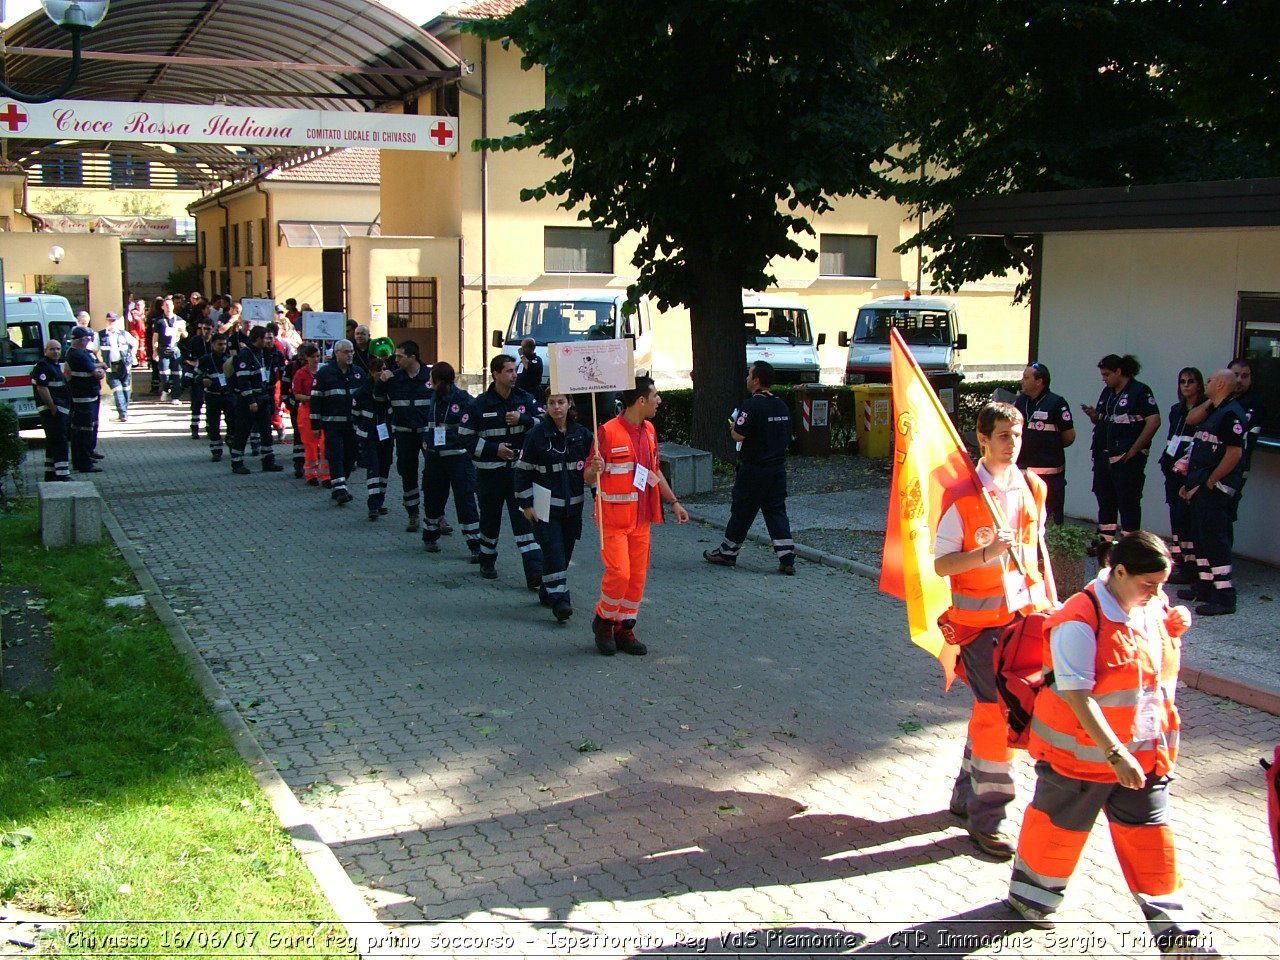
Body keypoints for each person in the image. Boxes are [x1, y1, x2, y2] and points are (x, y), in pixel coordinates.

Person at [1007, 534, 1212, 958]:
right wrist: (1115, 753)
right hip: (1081, 761)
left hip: (1146, 757)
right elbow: (1077, 696)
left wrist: (1175, 626)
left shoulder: (1148, 606)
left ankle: (1178, 937)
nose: (1159, 594)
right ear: (1119, 572)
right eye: (1150, 584)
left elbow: (1149, 674)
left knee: (1153, 841)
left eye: (1162, 583)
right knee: (1056, 834)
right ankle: (1031, 899)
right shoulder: (1078, 619)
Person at [933, 401, 1050, 860]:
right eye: (1003, 435)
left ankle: (966, 799)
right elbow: (942, 563)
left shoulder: (1033, 487)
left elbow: (1034, 552)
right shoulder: (963, 495)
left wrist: (1047, 602)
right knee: (999, 719)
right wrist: (987, 554)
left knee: (992, 715)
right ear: (982, 439)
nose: (1012, 443)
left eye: (1017, 435)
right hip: (980, 629)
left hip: (1024, 620)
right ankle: (989, 821)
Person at [590, 375, 690, 656]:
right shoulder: (607, 432)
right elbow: (588, 476)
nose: (659, 400)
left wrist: (674, 502)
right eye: (655, 396)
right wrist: (594, 468)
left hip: (641, 520)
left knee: (636, 578)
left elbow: (653, 472)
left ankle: (625, 628)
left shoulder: (649, 431)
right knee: (619, 574)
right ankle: (604, 621)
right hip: (613, 519)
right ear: (641, 401)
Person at [457, 354, 544, 585]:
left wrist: (523, 419)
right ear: (495, 374)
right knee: (489, 520)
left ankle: (534, 570)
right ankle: (487, 559)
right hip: (490, 475)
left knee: (525, 520)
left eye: (515, 370)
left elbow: (544, 423)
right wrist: (494, 449)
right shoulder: (479, 405)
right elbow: (464, 438)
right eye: (508, 371)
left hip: (519, 475)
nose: (514, 375)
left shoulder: (524, 399)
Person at [703, 360, 796, 574]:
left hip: (754, 470)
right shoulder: (781, 405)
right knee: (776, 512)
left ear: (756, 380)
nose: (746, 378)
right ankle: (787, 557)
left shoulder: (752, 405)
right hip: (777, 469)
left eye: (749, 375)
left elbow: (739, 434)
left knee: (742, 511)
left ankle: (727, 552)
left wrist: (734, 426)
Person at [517, 388, 600, 622]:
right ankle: (561, 601)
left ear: (569, 403)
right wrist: (526, 504)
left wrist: (598, 499)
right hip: (545, 509)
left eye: (561, 402)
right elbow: (522, 473)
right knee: (554, 553)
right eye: (551, 402)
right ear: (546, 406)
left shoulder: (582, 435)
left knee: (563, 555)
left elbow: (592, 473)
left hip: (573, 508)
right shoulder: (536, 435)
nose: (556, 407)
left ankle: (547, 590)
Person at [1176, 369, 1247, 617]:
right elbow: (1191, 419)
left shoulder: (1231, 414)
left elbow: (1234, 453)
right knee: (1201, 538)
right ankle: (1205, 586)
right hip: (1200, 484)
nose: (1206, 383)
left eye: (1210, 381)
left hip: (1215, 488)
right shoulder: (1215, 410)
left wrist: (1212, 480)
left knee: (1215, 541)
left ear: (1220, 385)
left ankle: (1224, 596)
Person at [1081, 354, 1161, 544]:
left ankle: (1129, 546)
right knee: (1105, 500)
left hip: (1127, 460)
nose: (1104, 378)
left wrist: (1135, 449)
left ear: (1119, 371)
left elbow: (1154, 421)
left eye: (1107, 374)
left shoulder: (1140, 391)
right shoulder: (1107, 392)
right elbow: (1103, 419)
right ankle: (1105, 544)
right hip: (1103, 456)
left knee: (1128, 504)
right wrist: (1094, 415)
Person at [421, 361, 481, 557]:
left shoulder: (463, 399)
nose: (430, 382)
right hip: (434, 458)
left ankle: (475, 544)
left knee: (465, 500)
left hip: (458, 459)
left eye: (433, 379)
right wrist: (426, 441)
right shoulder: (432, 398)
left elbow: (475, 421)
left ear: (440, 381)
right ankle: (430, 535)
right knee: (432, 498)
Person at [375, 340, 434, 531]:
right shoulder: (393, 378)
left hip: (428, 435)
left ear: (412, 357)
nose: (395, 359)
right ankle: (413, 513)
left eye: (400, 356)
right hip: (403, 435)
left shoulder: (430, 377)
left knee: (434, 474)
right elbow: (378, 401)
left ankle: (436, 514)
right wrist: (381, 383)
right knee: (408, 473)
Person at [1013, 361, 1075, 525]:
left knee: (1048, 521)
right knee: (1024, 520)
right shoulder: (1020, 402)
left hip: (1050, 479)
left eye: (1026, 377)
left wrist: (1049, 447)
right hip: (1023, 474)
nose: (1022, 380)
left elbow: (1069, 437)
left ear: (1039, 381)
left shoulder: (1056, 403)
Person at [1159, 367, 1205, 585]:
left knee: (1188, 519)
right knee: (1176, 518)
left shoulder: (1204, 410)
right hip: (1172, 470)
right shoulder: (1175, 410)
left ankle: (1191, 566)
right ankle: (1179, 562)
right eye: (1182, 381)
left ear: (1199, 385)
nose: (1186, 385)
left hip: (1190, 471)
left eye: (1191, 381)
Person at [311, 339, 366, 505]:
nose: (350, 355)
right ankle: (341, 489)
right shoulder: (324, 374)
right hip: (332, 423)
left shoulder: (358, 373)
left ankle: (340, 484)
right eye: (346, 352)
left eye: (351, 352)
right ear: (337, 353)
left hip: (352, 424)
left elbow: (364, 397)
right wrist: (315, 425)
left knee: (351, 455)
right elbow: (316, 400)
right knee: (335, 455)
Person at [229, 325, 285, 475]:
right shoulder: (245, 355)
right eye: (264, 338)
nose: (266, 341)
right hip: (248, 401)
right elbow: (243, 380)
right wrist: (250, 400)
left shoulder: (260, 353)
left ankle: (268, 461)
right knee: (242, 431)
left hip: (262, 398)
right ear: (258, 339)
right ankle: (237, 462)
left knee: (266, 430)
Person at [355, 355, 395, 521]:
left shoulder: (390, 390)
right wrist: (360, 433)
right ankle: (373, 505)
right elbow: (355, 415)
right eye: (379, 370)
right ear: (371, 372)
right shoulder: (363, 391)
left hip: (386, 434)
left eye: (384, 369)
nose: (382, 373)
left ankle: (380, 501)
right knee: (374, 467)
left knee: (385, 467)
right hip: (369, 435)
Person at [65, 325, 105, 474]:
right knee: (84, 431)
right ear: (81, 340)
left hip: (86, 396)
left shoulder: (77, 353)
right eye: (87, 339)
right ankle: (84, 463)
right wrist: (100, 370)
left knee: (83, 430)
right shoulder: (79, 355)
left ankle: (84, 458)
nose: (88, 342)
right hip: (84, 398)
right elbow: (97, 374)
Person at [31, 339, 71, 481]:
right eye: (52, 349)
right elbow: (42, 387)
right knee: (59, 441)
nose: (56, 352)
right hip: (52, 411)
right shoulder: (43, 366)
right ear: (45, 351)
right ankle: (62, 473)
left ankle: (50, 472)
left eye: (58, 349)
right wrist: (52, 407)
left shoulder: (53, 365)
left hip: (58, 410)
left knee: (53, 441)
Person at [290, 344, 329, 486]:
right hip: (307, 411)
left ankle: (326, 476)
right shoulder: (301, 373)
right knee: (310, 444)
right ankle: (311, 474)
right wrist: (311, 398)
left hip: (323, 410)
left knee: (325, 443)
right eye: (313, 357)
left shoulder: (324, 371)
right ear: (306, 358)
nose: (316, 359)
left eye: (318, 356)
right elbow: (297, 394)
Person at [197, 334, 233, 462]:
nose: (223, 347)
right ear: (213, 344)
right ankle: (216, 451)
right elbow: (195, 376)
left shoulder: (231, 359)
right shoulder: (206, 359)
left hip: (229, 396)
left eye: (224, 344)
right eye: (220, 344)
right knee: (213, 425)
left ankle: (231, 442)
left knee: (232, 423)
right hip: (213, 396)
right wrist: (202, 380)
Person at [98, 311, 137, 423]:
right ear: (106, 321)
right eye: (109, 320)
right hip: (110, 367)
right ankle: (123, 413)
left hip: (124, 366)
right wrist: (100, 363)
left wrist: (132, 355)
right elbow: (93, 350)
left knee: (126, 390)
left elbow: (135, 344)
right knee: (117, 390)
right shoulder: (100, 335)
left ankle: (124, 410)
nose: (111, 323)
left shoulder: (124, 334)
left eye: (113, 321)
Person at [180, 316, 211, 438]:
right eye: (203, 328)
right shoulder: (195, 340)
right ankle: (194, 428)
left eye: (208, 329)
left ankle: (210, 428)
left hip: (210, 375)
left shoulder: (214, 341)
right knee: (197, 402)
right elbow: (186, 356)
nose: (206, 331)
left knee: (210, 404)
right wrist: (192, 362)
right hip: (197, 375)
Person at [153, 296, 184, 403]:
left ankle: (175, 397)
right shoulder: (159, 321)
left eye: (170, 305)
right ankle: (165, 389)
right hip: (163, 349)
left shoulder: (179, 320)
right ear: (162, 307)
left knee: (177, 374)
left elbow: (185, 335)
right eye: (166, 305)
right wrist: (154, 351)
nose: (168, 307)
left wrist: (182, 330)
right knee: (164, 374)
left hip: (175, 349)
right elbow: (155, 337)